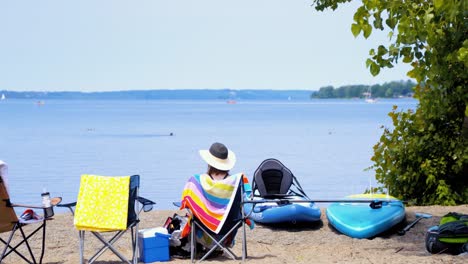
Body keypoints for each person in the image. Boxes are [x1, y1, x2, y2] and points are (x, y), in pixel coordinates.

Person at [179, 142, 253, 256]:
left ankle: (199, 248)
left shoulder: (197, 181)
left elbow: (188, 204)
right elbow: (246, 202)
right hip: (226, 234)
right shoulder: (238, 182)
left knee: (191, 216)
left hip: (203, 232)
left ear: (209, 162)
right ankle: (218, 247)